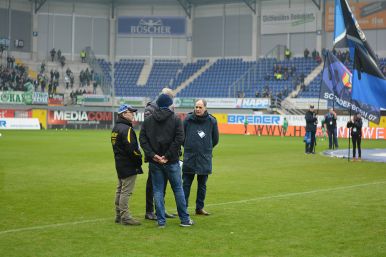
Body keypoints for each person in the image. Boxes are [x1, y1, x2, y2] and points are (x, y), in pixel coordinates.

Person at [140, 94, 193, 228]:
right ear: (169, 105)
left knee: (157, 191)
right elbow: (180, 138)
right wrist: (168, 156)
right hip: (172, 161)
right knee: (178, 189)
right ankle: (185, 220)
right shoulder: (175, 119)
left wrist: (153, 155)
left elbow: (143, 140)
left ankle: (161, 221)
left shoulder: (148, 121)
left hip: (155, 162)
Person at [143, 87, 176, 221]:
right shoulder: (150, 109)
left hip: (166, 154)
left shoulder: (169, 109)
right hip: (154, 153)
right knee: (152, 183)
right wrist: (153, 154)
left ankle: (160, 209)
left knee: (164, 183)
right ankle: (149, 210)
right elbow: (149, 132)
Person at [182, 99, 219, 216]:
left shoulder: (212, 121)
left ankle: (199, 208)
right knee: (186, 184)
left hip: (204, 157)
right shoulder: (187, 119)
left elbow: (215, 139)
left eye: (200, 107)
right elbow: (181, 136)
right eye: (196, 107)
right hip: (190, 156)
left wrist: (205, 148)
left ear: (205, 108)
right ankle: (183, 208)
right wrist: (189, 147)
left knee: (202, 185)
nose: (197, 109)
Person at [111, 104, 143, 226]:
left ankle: (118, 215)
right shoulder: (127, 129)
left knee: (120, 190)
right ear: (124, 114)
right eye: (131, 112)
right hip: (128, 164)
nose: (133, 114)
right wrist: (139, 159)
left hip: (119, 163)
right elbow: (132, 149)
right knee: (126, 191)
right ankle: (125, 217)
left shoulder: (115, 128)